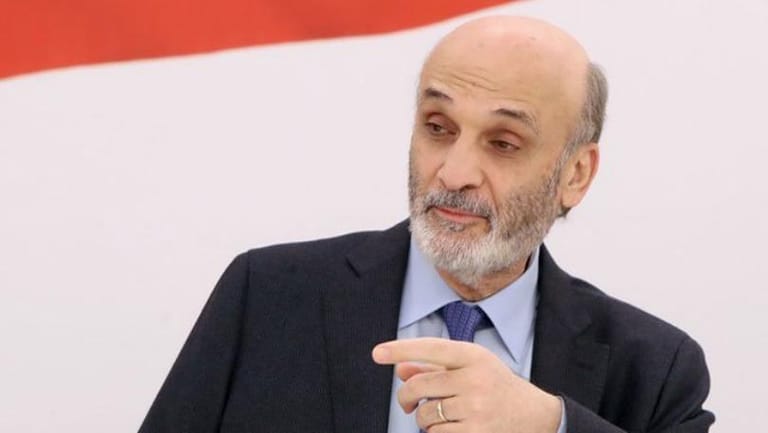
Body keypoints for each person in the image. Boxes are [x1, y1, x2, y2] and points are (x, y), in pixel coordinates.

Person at [139, 16, 714, 433]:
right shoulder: (266, 295)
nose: (454, 173)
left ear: (576, 174)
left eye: (504, 143)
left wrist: (553, 425)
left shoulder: (655, 368)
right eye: (438, 127)